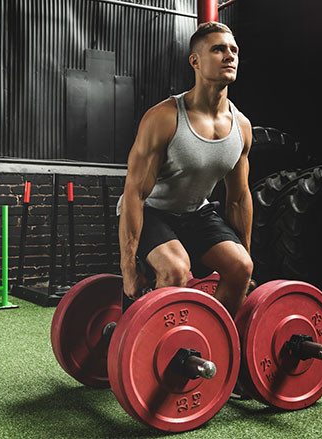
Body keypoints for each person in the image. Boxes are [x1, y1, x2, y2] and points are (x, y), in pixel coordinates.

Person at [117, 22, 253, 319]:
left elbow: (239, 199)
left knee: (241, 267)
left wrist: (245, 254)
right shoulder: (164, 117)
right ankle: (160, 350)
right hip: (152, 210)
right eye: (218, 49)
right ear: (195, 61)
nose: (229, 56)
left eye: (234, 50)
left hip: (195, 212)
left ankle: (210, 337)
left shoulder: (242, 127)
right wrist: (128, 268)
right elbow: (135, 194)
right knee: (176, 270)